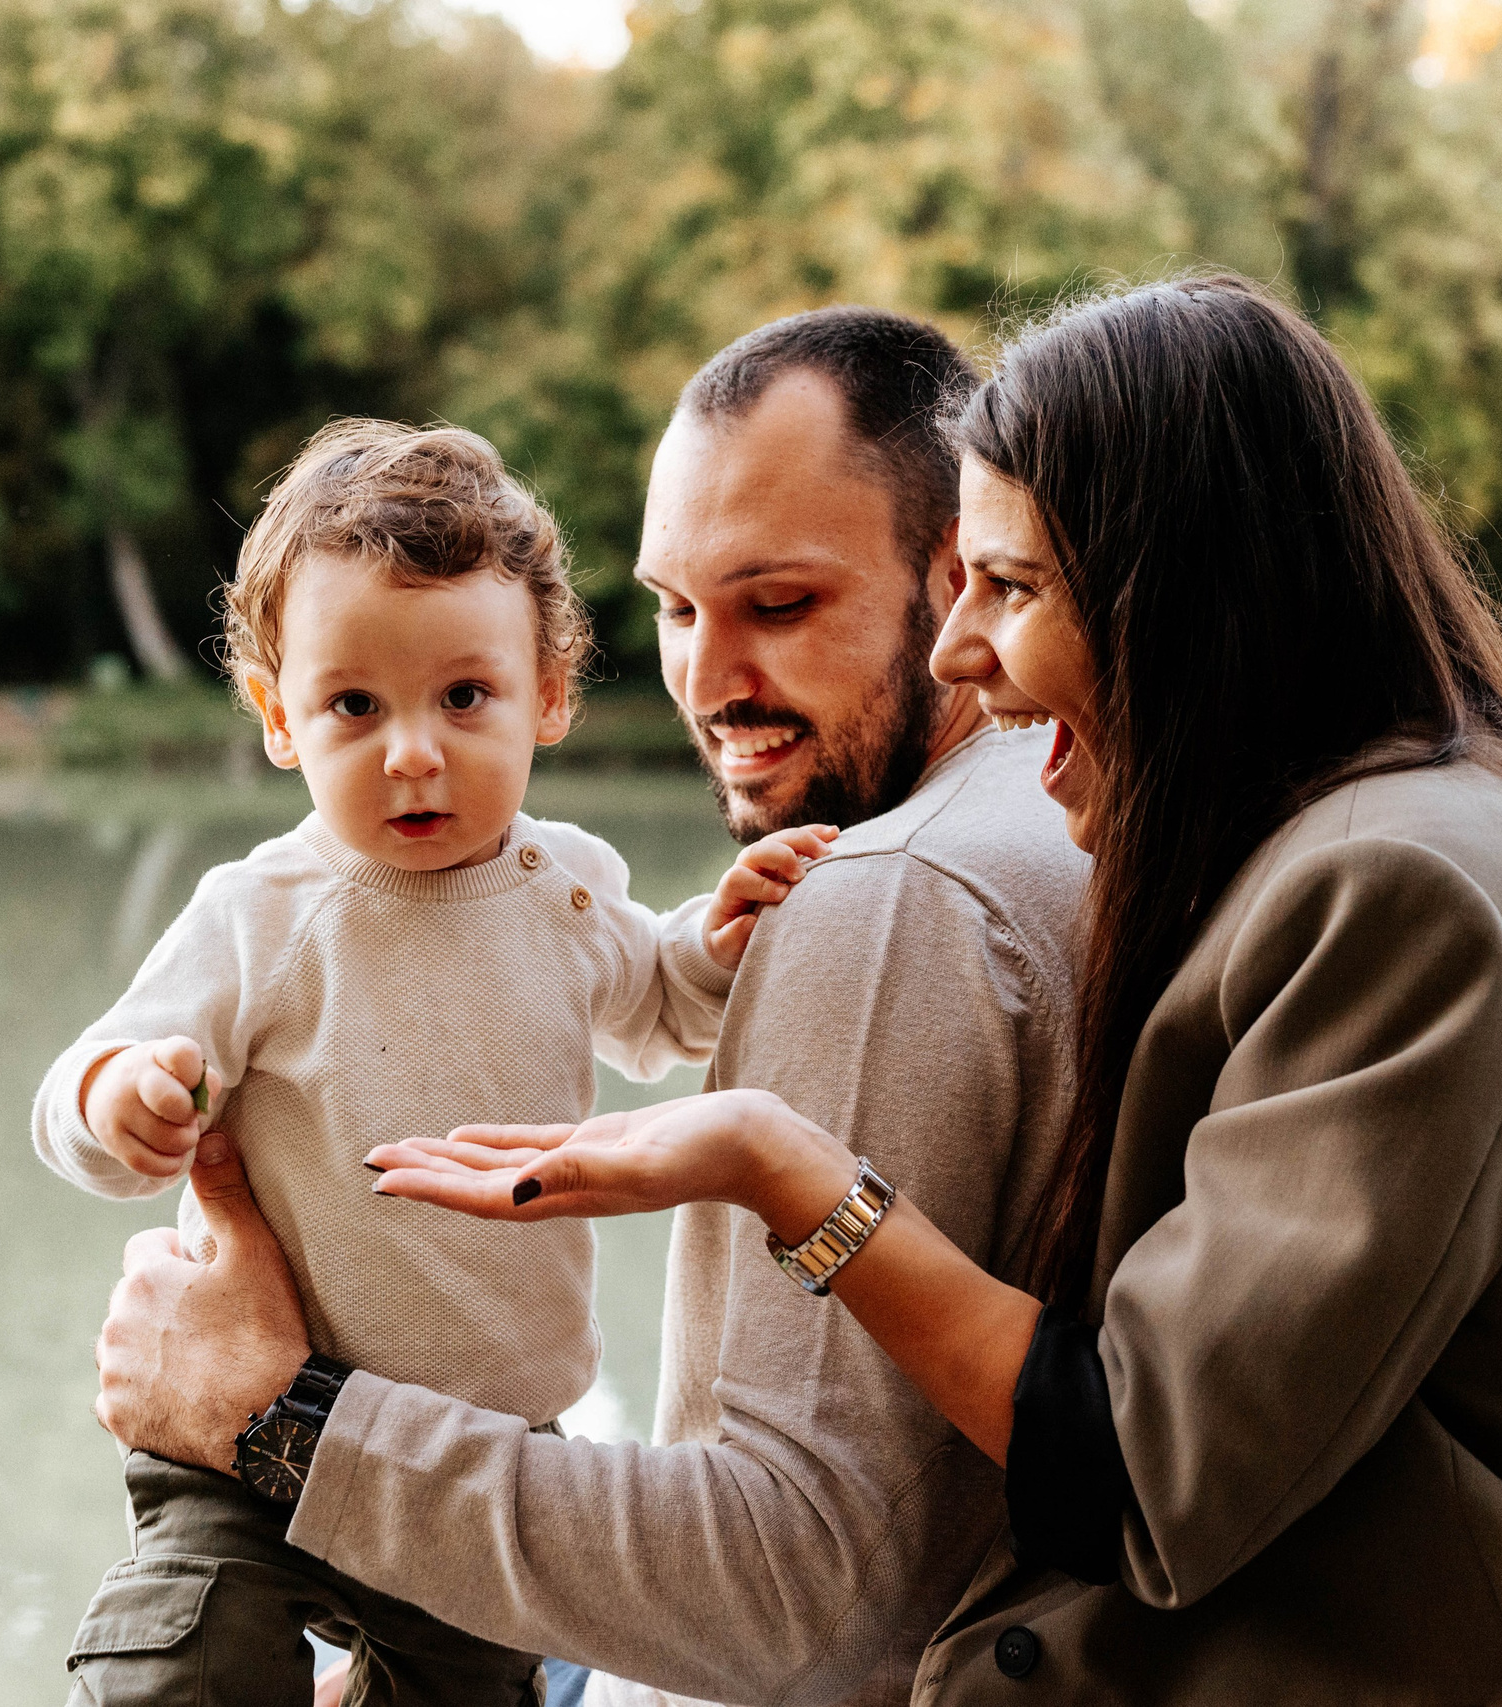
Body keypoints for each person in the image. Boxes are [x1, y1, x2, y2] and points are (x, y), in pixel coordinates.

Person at [371, 275, 1502, 1704]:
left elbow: (1138, 1475)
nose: (966, 652)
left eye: (1012, 585)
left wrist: (787, 1171)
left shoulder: (1407, 890)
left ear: (1186, 597)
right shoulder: (1379, 827)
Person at [93, 310, 1091, 1707]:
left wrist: (277, 1421)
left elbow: (807, 1599)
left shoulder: (890, 894)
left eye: (782, 603)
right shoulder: (1065, 796)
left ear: (961, 575)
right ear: (281, 714)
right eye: (678, 608)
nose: (708, 677)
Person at [33, 418, 828, 1705]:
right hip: (245, 1440)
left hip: (484, 1452)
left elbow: (660, 1011)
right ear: (276, 716)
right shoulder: (263, 916)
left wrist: (721, 934)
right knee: (185, 1660)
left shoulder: (565, 887)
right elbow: (86, 1079)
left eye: (465, 697)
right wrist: (115, 1101)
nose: (412, 751)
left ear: (551, 694)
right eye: (354, 705)